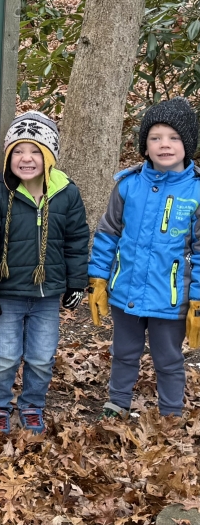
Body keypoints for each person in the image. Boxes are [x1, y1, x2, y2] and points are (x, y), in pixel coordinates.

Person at [0, 112, 88, 434]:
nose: (26, 158)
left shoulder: (66, 192)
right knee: (5, 356)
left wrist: (77, 282)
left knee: (41, 357)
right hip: (7, 293)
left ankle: (32, 405)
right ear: (9, 156)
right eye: (18, 151)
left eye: (35, 151)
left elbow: (77, 240)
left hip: (47, 295)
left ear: (49, 155)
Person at [89, 97, 200, 419]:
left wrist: (197, 298)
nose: (164, 144)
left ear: (187, 143)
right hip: (126, 291)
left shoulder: (196, 192)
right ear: (145, 145)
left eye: (173, 137)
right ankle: (117, 403)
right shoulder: (128, 186)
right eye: (155, 137)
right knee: (124, 352)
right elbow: (108, 233)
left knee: (168, 358)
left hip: (172, 297)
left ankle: (171, 413)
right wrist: (98, 278)